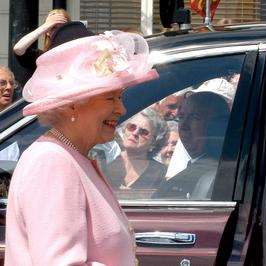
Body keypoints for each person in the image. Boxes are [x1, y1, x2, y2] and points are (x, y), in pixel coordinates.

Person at [5, 30, 159, 265]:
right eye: (111, 98)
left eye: (120, 97)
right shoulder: (52, 162)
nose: (122, 109)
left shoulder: (72, 156)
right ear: (73, 106)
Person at [154, 91, 230, 199]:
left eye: (194, 117)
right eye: (181, 117)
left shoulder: (219, 176)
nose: (183, 126)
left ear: (217, 125)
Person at [107, 108, 168, 190]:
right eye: (132, 127)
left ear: (154, 142)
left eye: (143, 132)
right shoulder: (106, 160)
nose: (135, 133)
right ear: (124, 129)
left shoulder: (160, 172)